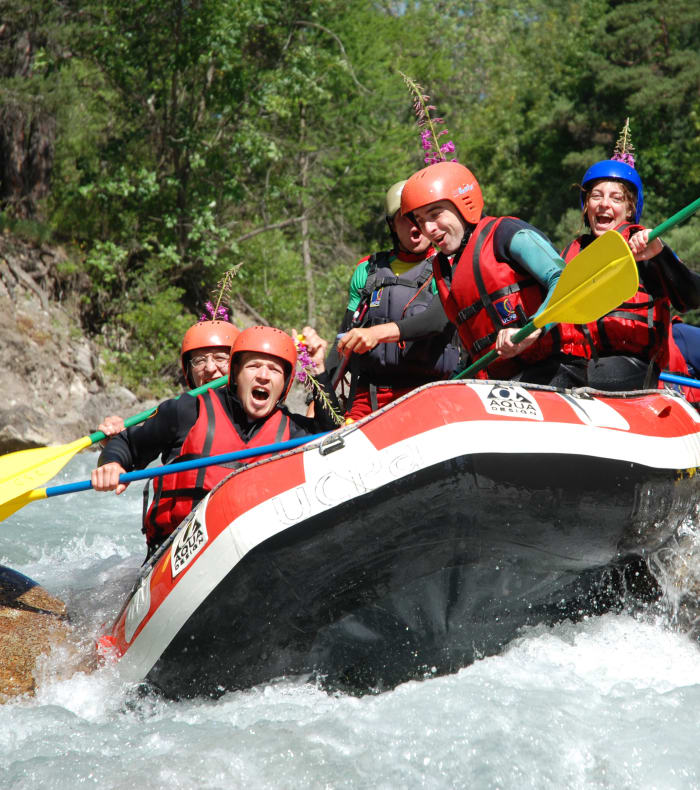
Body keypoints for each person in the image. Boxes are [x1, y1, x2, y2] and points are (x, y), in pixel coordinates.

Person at [92, 325, 339, 557]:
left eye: (274, 370)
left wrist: (318, 369)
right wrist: (112, 464)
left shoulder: (292, 430)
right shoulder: (188, 411)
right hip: (175, 550)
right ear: (236, 376)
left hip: (255, 549)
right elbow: (127, 444)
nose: (263, 376)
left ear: (284, 384)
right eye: (253, 367)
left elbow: (334, 443)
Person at [340, 161, 590, 387]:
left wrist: (535, 328)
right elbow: (472, 346)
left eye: (435, 214)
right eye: (419, 219)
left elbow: (564, 280)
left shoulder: (507, 234)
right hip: (502, 381)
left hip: (556, 368)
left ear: (463, 205)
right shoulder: (444, 269)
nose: (428, 229)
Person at [563, 156, 700, 392]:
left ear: (629, 210)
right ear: (586, 206)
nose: (604, 203)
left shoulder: (646, 250)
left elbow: (693, 297)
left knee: (584, 377)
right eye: (596, 195)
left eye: (616, 198)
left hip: (635, 365)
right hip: (582, 362)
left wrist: (660, 254)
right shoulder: (571, 256)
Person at [329, 180, 460, 419]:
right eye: (405, 217)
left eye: (420, 218)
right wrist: (322, 396)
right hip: (369, 397)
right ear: (391, 224)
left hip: (428, 392)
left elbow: (437, 321)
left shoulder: (447, 266)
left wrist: (376, 333)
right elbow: (344, 337)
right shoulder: (367, 270)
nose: (416, 226)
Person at [98, 319, 240, 438]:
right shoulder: (175, 414)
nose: (209, 368)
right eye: (199, 361)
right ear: (189, 372)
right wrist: (114, 440)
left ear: (238, 367)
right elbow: (126, 448)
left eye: (220, 359)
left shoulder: (256, 411)